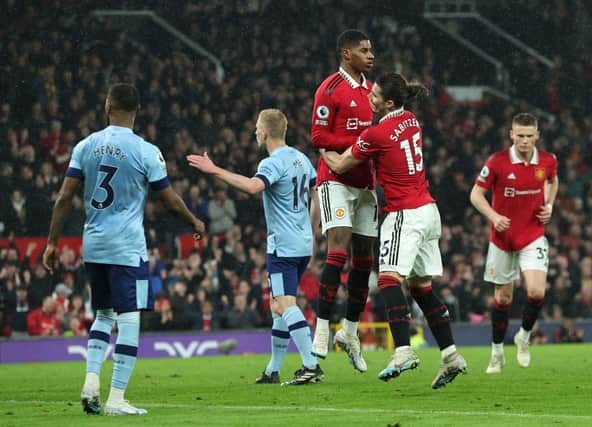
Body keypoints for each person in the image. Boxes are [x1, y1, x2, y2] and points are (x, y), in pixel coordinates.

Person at [43, 83, 205, 416]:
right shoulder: (146, 150)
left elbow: (64, 198)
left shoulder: (86, 145)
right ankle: (116, 397)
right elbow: (169, 199)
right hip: (127, 247)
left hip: (94, 244)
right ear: (137, 111)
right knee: (129, 319)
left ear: (107, 107)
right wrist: (194, 222)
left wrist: (51, 243)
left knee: (103, 315)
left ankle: (91, 381)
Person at [321, 72, 467, 388]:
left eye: (374, 96)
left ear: (388, 102)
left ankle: (402, 350)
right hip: (429, 211)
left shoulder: (377, 132)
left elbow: (341, 165)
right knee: (422, 289)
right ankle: (452, 354)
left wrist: (322, 147)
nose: (368, 99)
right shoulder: (411, 120)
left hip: (405, 214)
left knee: (388, 279)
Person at [187, 108, 323, 385]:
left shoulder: (271, 163)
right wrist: (310, 227)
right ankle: (273, 369)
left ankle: (311, 364)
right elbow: (317, 192)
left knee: (285, 303)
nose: (254, 132)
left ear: (264, 132)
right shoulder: (301, 159)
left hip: (283, 245)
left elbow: (251, 188)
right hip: (302, 242)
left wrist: (214, 170)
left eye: (256, 127)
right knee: (277, 306)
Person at [469, 112, 559, 374]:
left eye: (529, 136)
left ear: (537, 136)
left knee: (536, 293)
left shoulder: (547, 161)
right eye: (519, 136)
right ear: (511, 135)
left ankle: (523, 336)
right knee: (503, 299)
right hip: (502, 240)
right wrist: (494, 216)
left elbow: (552, 181)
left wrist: (549, 205)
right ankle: (497, 351)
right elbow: (476, 194)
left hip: (532, 236)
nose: (524, 141)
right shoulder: (497, 162)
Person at [310, 29, 377, 373]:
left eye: (371, 50)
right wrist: (357, 143)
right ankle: (321, 329)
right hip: (335, 179)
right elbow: (318, 136)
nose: (371, 55)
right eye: (365, 50)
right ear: (346, 54)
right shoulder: (329, 89)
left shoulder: (372, 91)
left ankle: (349, 332)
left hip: (365, 184)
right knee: (338, 249)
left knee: (364, 260)